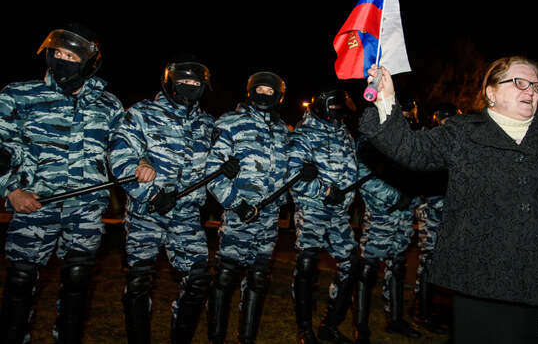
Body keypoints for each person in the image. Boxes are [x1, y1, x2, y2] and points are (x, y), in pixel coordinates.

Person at [358, 56, 538, 343]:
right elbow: (410, 149)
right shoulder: (463, 132)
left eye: (535, 85)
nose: (530, 90)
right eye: (519, 82)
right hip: (484, 289)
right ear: (491, 92)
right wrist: (386, 100)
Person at [0, 23, 124, 344]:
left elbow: (124, 150)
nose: (61, 60)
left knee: (78, 282)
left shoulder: (108, 105)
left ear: (90, 61)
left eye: (71, 55)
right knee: (20, 282)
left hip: (85, 211)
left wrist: (139, 164)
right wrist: (10, 190)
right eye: (57, 53)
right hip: (33, 205)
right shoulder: (18, 95)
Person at [108, 55, 231, 344]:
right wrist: (149, 193)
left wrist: (225, 168)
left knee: (199, 279)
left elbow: (213, 164)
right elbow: (120, 155)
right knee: (139, 281)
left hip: (187, 215)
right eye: (183, 81)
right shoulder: (142, 113)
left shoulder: (206, 123)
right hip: (145, 213)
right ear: (168, 83)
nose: (189, 87)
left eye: (195, 83)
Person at [205, 71, 307, 344]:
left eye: (270, 90)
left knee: (259, 278)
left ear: (279, 96)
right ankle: (216, 337)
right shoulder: (230, 122)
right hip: (238, 215)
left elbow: (288, 172)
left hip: (269, 218)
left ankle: (246, 337)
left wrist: (302, 174)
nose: (264, 94)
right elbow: (212, 172)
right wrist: (236, 204)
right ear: (250, 92)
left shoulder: (284, 132)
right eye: (259, 89)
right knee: (225, 277)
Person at [288, 89, 359, 344]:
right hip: (311, 209)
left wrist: (345, 199)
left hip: (338, 212)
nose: (339, 116)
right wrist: (322, 191)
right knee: (307, 264)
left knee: (351, 262)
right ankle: (304, 328)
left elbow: (352, 170)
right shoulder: (303, 135)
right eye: (335, 110)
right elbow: (294, 174)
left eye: (342, 112)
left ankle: (330, 324)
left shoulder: (344, 134)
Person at [352, 134, 422, 344]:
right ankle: (360, 325)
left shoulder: (405, 133)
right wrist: (395, 196)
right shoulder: (370, 136)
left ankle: (395, 319)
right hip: (382, 213)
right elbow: (361, 172)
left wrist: (414, 195)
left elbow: (420, 170)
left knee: (398, 266)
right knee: (367, 270)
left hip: (404, 214)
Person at [411, 102, 458, 334]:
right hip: (432, 208)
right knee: (428, 261)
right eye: (446, 120)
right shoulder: (429, 141)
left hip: (450, 210)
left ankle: (434, 309)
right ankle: (421, 311)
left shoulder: (457, 145)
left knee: (446, 263)